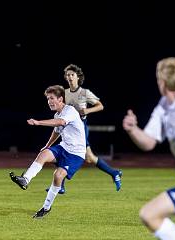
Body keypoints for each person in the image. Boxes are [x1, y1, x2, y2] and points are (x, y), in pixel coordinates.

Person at [123, 57, 175, 240]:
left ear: (163, 82)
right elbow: (149, 142)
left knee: (150, 214)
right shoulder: (164, 107)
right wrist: (133, 129)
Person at [9, 85, 86, 218]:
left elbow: (61, 122)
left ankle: (46, 208)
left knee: (58, 176)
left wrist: (38, 122)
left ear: (61, 99)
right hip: (64, 147)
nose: (49, 101)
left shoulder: (70, 111)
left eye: (52, 98)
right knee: (43, 154)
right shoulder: (57, 114)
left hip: (76, 154)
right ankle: (25, 180)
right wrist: (47, 145)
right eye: (48, 99)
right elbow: (56, 131)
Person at [47, 64, 122, 194]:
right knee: (85, 156)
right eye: (68, 75)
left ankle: (114, 172)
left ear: (78, 77)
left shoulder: (85, 93)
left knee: (83, 155)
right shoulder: (63, 93)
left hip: (80, 128)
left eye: (72, 74)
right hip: (66, 128)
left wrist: (87, 110)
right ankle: (114, 172)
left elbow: (100, 106)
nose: (69, 77)